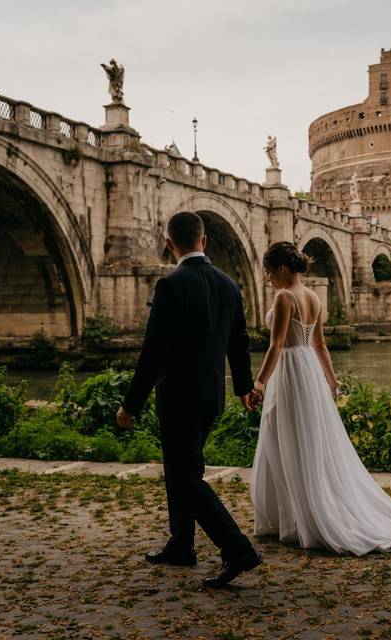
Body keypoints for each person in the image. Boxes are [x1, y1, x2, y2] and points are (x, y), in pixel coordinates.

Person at [117, 211, 262, 588]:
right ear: (205, 240)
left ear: (169, 244)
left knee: (185, 477)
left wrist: (131, 405)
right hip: (212, 396)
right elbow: (239, 344)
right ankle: (181, 544)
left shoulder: (170, 285)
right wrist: (244, 387)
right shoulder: (230, 285)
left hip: (178, 396)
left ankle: (237, 549)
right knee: (181, 469)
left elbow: (154, 353)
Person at [250, 242, 391, 555]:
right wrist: (331, 381)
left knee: (283, 438)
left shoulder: (284, 297)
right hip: (309, 373)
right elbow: (320, 346)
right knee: (307, 440)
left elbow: (276, 346)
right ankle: (297, 514)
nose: (268, 278)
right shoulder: (313, 297)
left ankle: (294, 518)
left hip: (289, 371)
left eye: (270, 271)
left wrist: (260, 381)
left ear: (282, 269)